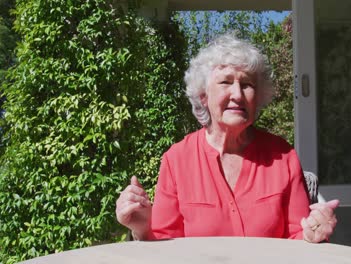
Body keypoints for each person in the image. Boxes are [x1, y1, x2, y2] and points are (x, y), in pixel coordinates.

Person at [116, 34, 339, 243]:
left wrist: (313, 234)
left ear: (258, 97)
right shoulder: (177, 160)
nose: (238, 94)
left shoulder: (283, 157)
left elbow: (298, 236)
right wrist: (143, 229)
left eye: (247, 84)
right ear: (203, 96)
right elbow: (166, 245)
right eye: (225, 82)